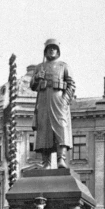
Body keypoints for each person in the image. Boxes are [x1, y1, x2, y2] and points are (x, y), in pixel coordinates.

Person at [30, 39, 75, 169]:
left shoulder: (64, 66)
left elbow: (71, 84)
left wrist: (65, 99)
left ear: (58, 50)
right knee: (44, 129)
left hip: (58, 98)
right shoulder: (40, 67)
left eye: (54, 48)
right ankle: (46, 163)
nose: (52, 50)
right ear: (45, 51)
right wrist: (37, 77)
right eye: (49, 48)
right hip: (43, 99)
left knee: (61, 126)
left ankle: (61, 159)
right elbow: (33, 86)